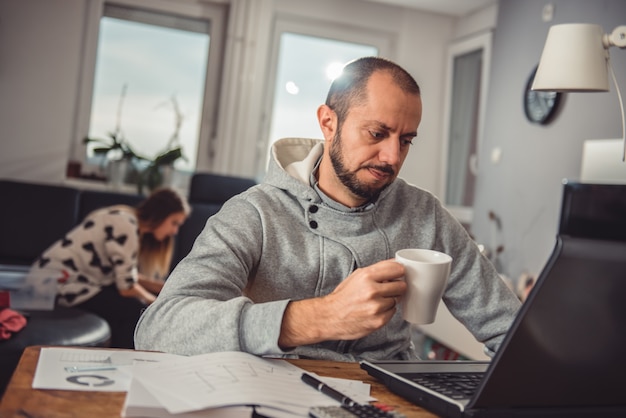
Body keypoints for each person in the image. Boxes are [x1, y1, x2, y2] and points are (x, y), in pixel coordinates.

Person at [135, 57, 521, 361]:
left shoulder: (425, 214)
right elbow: (159, 328)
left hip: (386, 396)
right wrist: (318, 316)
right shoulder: (255, 213)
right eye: (377, 133)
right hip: (276, 389)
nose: (392, 156)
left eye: (406, 141)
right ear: (328, 122)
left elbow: (509, 328)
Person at [27, 187, 190, 348]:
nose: (175, 231)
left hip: (67, 282)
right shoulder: (126, 226)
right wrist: (155, 303)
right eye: (174, 223)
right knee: (137, 310)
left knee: (134, 305)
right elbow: (126, 287)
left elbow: (127, 275)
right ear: (160, 214)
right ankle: (123, 359)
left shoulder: (125, 218)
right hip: (56, 286)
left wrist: (165, 288)